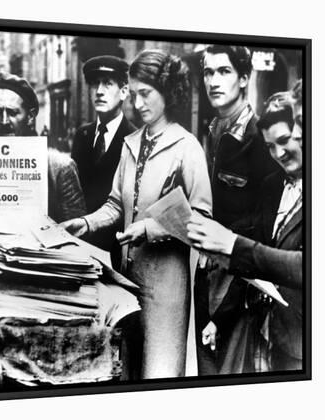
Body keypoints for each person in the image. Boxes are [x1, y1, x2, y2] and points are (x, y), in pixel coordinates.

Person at [62, 49, 212, 379]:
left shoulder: (187, 148)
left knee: (159, 376)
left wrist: (149, 229)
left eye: (146, 93)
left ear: (168, 92)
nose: (138, 103)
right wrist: (85, 223)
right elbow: (117, 204)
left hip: (167, 288)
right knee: (127, 373)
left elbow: (202, 218)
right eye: (134, 93)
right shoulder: (132, 144)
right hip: (127, 283)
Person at [187, 85, 303, 372]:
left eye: (286, 140)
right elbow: (252, 263)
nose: (279, 153)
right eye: (270, 146)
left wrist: (230, 243)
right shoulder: (271, 186)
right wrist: (220, 319)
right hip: (266, 332)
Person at [194, 45, 279, 375]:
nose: (214, 81)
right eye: (208, 72)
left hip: (238, 292)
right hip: (208, 280)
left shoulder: (259, 141)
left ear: (244, 78)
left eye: (224, 72)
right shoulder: (215, 130)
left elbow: (262, 232)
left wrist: (226, 310)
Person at [0, 71, 86, 225]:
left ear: (30, 117)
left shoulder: (60, 168)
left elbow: (78, 235)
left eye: (12, 112)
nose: (3, 121)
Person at [71, 55, 136, 268]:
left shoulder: (134, 139)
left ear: (124, 91)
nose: (99, 91)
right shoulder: (82, 135)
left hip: (116, 254)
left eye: (108, 84)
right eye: (94, 84)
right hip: (80, 248)